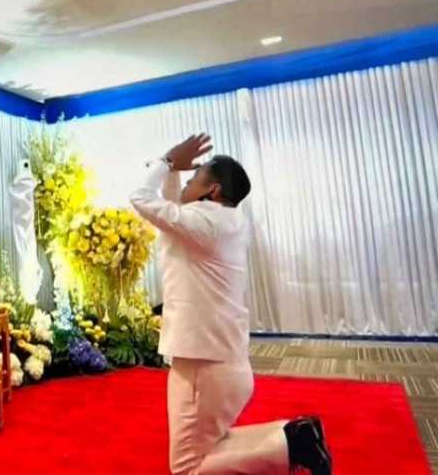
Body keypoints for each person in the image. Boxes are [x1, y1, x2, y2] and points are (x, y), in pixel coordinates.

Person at [130, 134, 332, 475]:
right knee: (207, 450)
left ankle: (293, 444)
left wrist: (167, 162)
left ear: (214, 191)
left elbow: (140, 197)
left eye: (194, 178)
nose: (187, 182)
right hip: (219, 365)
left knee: (188, 467)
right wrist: (173, 171)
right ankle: (294, 435)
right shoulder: (223, 221)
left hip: (203, 368)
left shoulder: (205, 224)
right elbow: (173, 209)